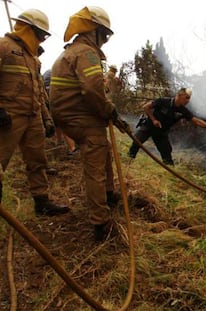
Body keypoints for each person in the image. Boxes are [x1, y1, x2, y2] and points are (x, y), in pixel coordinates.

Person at [49, 6, 122, 242]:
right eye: (105, 35)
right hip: (82, 118)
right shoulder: (86, 53)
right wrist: (108, 110)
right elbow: (92, 90)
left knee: (104, 152)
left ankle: (109, 195)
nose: (106, 41)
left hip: (73, 116)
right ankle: (100, 222)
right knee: (95, 167)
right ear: (95, 31)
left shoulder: (73, 51)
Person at [0, 9, 69, 215]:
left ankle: (42, 201)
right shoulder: (3, 47)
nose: (41, 40)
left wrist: (46, 118)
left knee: (37, 160)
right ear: (28, 29)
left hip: (32, 117)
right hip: (8, 117)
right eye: (40, 34)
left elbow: (39, 91)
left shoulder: (33, 59)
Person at [128, 88, 206, 165]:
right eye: (186, 98)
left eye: (189, 98)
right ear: (179, 95)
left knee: (167, 156)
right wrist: (154, 120)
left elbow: (195, 120)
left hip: (161, 133)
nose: (188, 100)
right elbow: (146, 107)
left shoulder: (183, 111)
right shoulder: (163, 101)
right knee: (136, 143)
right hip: (149, 126)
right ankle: (128, 162)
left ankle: (169, 173)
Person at [42, 69, 77, 154]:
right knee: (61, 123)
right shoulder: (53, 80)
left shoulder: (49, 78)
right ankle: (71, 148)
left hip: (52, 101)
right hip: (54, 102)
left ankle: (60, 143)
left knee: (57, 122)